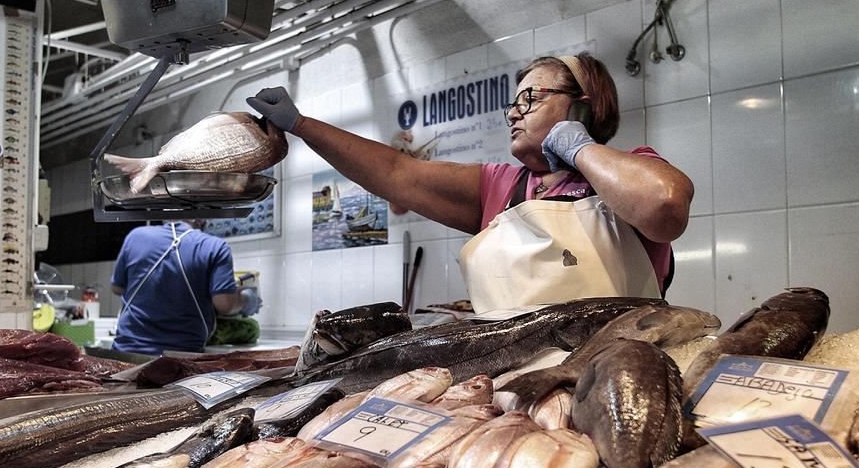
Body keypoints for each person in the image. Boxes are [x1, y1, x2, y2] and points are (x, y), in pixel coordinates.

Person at [248, 52, 693, 313]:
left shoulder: (633, 167)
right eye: (512, 104)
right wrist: (303, 125)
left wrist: (578, 147)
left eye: (530, 99)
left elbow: (664, 206)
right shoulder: (502, 186)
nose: (514, 113)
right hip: (513, 389)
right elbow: (395, 174)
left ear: (582, 106)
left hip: (613, 381)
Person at [110, 219, 261, 354]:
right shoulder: (214, 246)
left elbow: (117, 288)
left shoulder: (136, 236)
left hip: (125, 353)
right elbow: (225, 304)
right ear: (201, 219)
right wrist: (246, 300)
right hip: (180, 358)